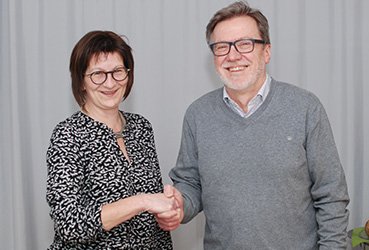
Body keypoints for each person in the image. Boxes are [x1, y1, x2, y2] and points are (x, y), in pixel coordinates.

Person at [157, 1, 350, 249]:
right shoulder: (197, 114)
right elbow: (191, 184)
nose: (233, 55)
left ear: (266, 51)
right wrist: (179, 204)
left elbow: (331, 194)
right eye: (221, 47)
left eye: (245, 44)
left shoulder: (305, 107)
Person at [46, 30, 177, 249]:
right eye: (98, 74)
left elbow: (153, 220)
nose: (110, 83)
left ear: (128, 74)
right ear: (81, 82)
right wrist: (142, 201)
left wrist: (167, 215)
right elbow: (68, 224)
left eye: (117, 71)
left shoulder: (141, 127)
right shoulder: (68, 134)